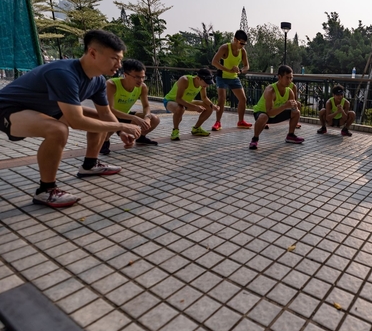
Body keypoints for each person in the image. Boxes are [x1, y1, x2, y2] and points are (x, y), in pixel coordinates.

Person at [0, 29, 141, 208]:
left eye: (120, 59)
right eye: (114, 58)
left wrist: (120, 132)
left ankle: (90, 165)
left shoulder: (98, 80)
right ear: (93, 53)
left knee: (99, 118)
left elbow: (105, 114)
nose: (119, 65)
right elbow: (76, 121)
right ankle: (46, 190)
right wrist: (122, 125)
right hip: (8, 108)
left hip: (48, 109)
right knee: (57, 130)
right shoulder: (63, 73)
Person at [100, 59, 159, 155]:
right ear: (125, 74)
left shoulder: (143, 87)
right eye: (137, 77)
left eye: (143, 77)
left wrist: (147, 117)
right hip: (109, 117)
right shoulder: (111, 84)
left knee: (155, 119)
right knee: (106, 130)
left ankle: (140, 137)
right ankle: (104, 141)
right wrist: (134, 118)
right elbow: (110, 110)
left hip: (125, 116)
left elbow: (146, 106)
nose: (140, 80)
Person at [249, 65, 304, 150]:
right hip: (263, 113)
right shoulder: (270, 90)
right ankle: (255, 139)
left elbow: (294, 110)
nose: (289, 81)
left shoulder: (289, 91)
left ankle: (290, 135)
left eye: (291, 78)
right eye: (287, 78)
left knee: (297, 112)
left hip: (276, 114)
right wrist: (285, 106)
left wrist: (294, 107)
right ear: (279, 77)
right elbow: (269, 112)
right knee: (264, 117)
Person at [210, 30, 252, 131]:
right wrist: (227, 70)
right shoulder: (225, 48)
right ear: (235, 40)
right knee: (222, 99)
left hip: (234, 77)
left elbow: (247, 66)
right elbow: (214, 62)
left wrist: (240, 71)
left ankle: (241, 121)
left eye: (244, 44)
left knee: (243, 99)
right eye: (241, 43)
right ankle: (218, 122)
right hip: (222, 77)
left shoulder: (242, 51)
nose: (242, 46)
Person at [164, 68, 217, 141]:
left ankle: (196, 129)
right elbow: (178, 99)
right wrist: (195, 107)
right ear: (198, 78)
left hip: (186, 102)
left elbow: (204, 97)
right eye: (206, 82)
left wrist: (212, 105)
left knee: (209, 107)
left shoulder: (202, 85)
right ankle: (175, 130)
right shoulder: (184, 80)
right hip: (171, 101)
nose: (207, 85)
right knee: (180, 108)